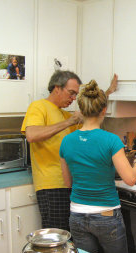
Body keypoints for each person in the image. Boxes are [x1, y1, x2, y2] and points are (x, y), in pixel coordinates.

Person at [59, 79, 136, 253]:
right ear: (103, 110)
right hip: (106, 216)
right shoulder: (111, 140)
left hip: (77, 215)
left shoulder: (66, 141)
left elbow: (68, 182)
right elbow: (130, 179)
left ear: (81, 110)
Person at [21, 71, 118, 232]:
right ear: (57, 88)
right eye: (71, 93)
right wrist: (70, 121)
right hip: (51, 186)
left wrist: (107, 93)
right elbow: (31, 135)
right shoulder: (38, 107)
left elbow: (92, 114)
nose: (73, 99)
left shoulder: (64, 114)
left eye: (76, 95)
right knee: (57, 237)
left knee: (70, 238)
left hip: (71, 184)